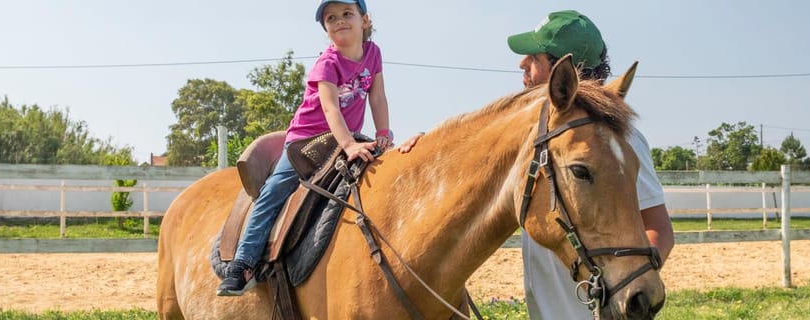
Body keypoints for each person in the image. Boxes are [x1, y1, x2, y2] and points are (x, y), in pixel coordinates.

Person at [399, 10, 674, 319]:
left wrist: (625, 283)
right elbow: (476, 173)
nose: (521, 64)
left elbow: (658, 226)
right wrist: (430, 148)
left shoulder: (619, 140)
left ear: (561, 74)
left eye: (534, 57)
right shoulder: (539, 133)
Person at [217, 0, 394, 296]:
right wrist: (349, 144)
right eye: (331, 18)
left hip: (348, 135)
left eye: (346, 14)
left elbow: (377, 97)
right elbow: (330, 109)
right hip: (308, 139)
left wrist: (383, 133)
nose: (339, 21)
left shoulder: (373, 54)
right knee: (274, 191)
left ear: (364, 20)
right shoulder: (327, 63)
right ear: (326, 30)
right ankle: (243, 263)